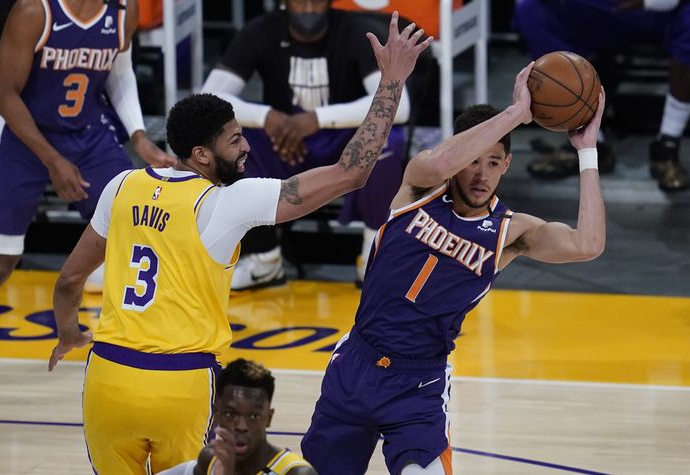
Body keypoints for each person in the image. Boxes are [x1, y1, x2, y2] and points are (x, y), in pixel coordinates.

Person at [48, 13, 431, 474]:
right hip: (181, 383)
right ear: (202, 155)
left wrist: (69, 332)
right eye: (235, 140)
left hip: (106, 377)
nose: (246, 146)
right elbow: (352, 172)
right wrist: (391, 82)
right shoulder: (227, 200)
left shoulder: (121, 185)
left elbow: (70, 279)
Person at [301, 66, 608, 473]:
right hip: (355, 367)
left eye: (494, 162)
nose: (482, 174)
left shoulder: (510, 232)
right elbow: (439, 161)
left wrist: (587, 151)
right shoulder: (419, 188)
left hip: (418, 385)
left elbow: (587, 245)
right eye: (473, 161)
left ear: (507, 164)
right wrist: (518, 112)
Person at [0, 0, 176, 326]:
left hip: (88, 133)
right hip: (23, 137)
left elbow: (121, 72)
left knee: (133, 224)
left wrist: (138, 136)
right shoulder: (34, 11)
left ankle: (140, 343)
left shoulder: (124, 10)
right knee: (1, 259)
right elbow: (4, 94)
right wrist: (53, 159)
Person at [201, 0, 412, 290]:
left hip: (344, 142)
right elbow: (209, 97)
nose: (309, 9)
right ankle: (264, 259)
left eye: (316, 1)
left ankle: (373, 258)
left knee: (388, 138)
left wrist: (316, 119)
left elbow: (400, 107)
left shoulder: (357, 32)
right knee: (227, 144)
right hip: (284, 142)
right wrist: (268, 118)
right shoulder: (260, 31)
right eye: (301, 1)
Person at [514, 0, 690, 192]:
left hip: (663, 13)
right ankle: (588, 138)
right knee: (531, 7)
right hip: (602, 7)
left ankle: (667, 145)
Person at [157, 358, 317, 475]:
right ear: (217, 414)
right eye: (230, 414)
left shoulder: (296, 472)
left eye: (253, 416)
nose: (241, 426)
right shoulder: (210, 459)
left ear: (268, 417)